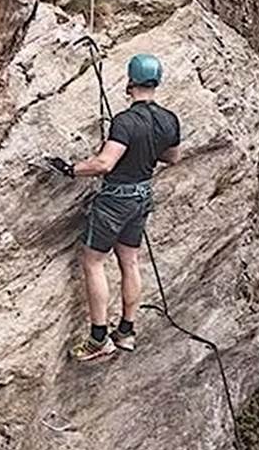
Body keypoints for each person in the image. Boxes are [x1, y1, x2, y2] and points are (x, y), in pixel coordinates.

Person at [46, 53, 182, 363]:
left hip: (115, 200)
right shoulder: (169, 119)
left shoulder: (125, 121)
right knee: (130, 262)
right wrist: (143, 152)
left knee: (93, 261)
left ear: (130, 81)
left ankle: (98, 339)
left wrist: (70, 169)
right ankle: (126, 331)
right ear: (156, 81)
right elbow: (172, 157)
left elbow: (104, 163)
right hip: (141, 197)